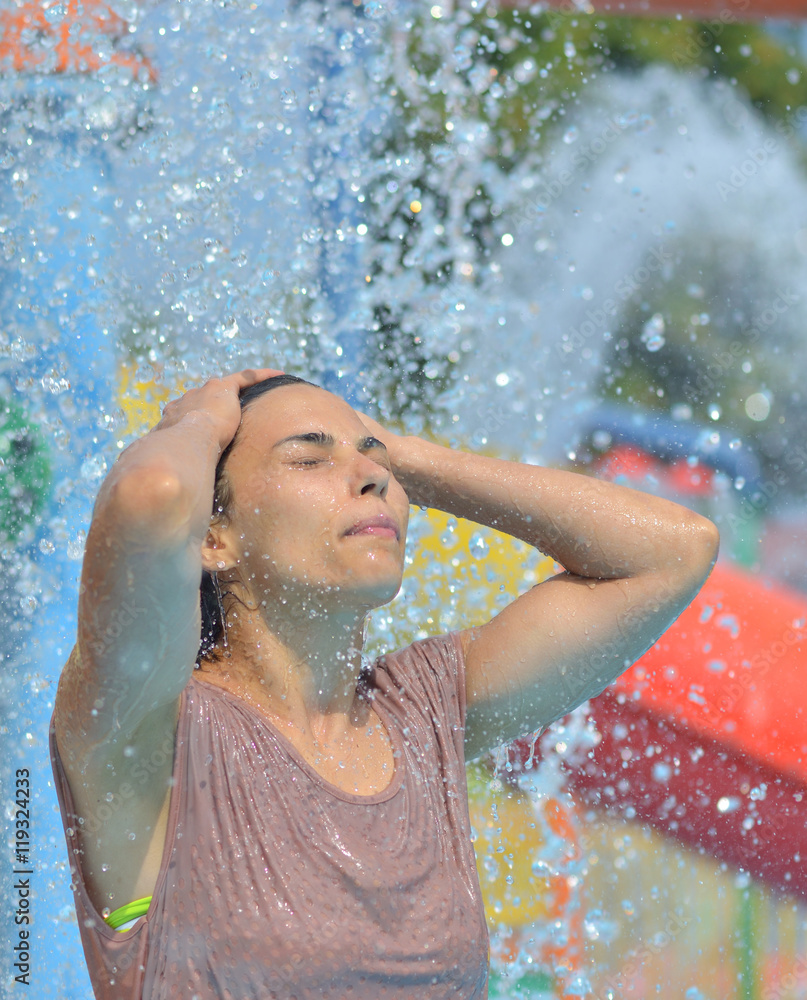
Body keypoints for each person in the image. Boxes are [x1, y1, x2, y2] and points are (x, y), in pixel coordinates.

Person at [49, 366, 719, 999]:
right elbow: (151, 495)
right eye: (309, 458)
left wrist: (408, 457)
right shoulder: (150, 737)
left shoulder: (423, 712)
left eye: (377, 465)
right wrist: (196, 422)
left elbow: (672, 550)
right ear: (214, 536)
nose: (369, 477)